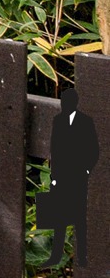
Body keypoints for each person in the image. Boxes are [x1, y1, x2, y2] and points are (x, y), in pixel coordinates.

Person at [42, 85, 98, 269]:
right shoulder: (58, 120)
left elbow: (93, 149)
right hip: (62, 176)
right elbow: (55, 150)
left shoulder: (85, 121)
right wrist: (54, 175)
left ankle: (82, 257)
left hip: (79, 176)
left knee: (81, 218)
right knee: (60, 217)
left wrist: (87, 170)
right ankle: (56, 256)